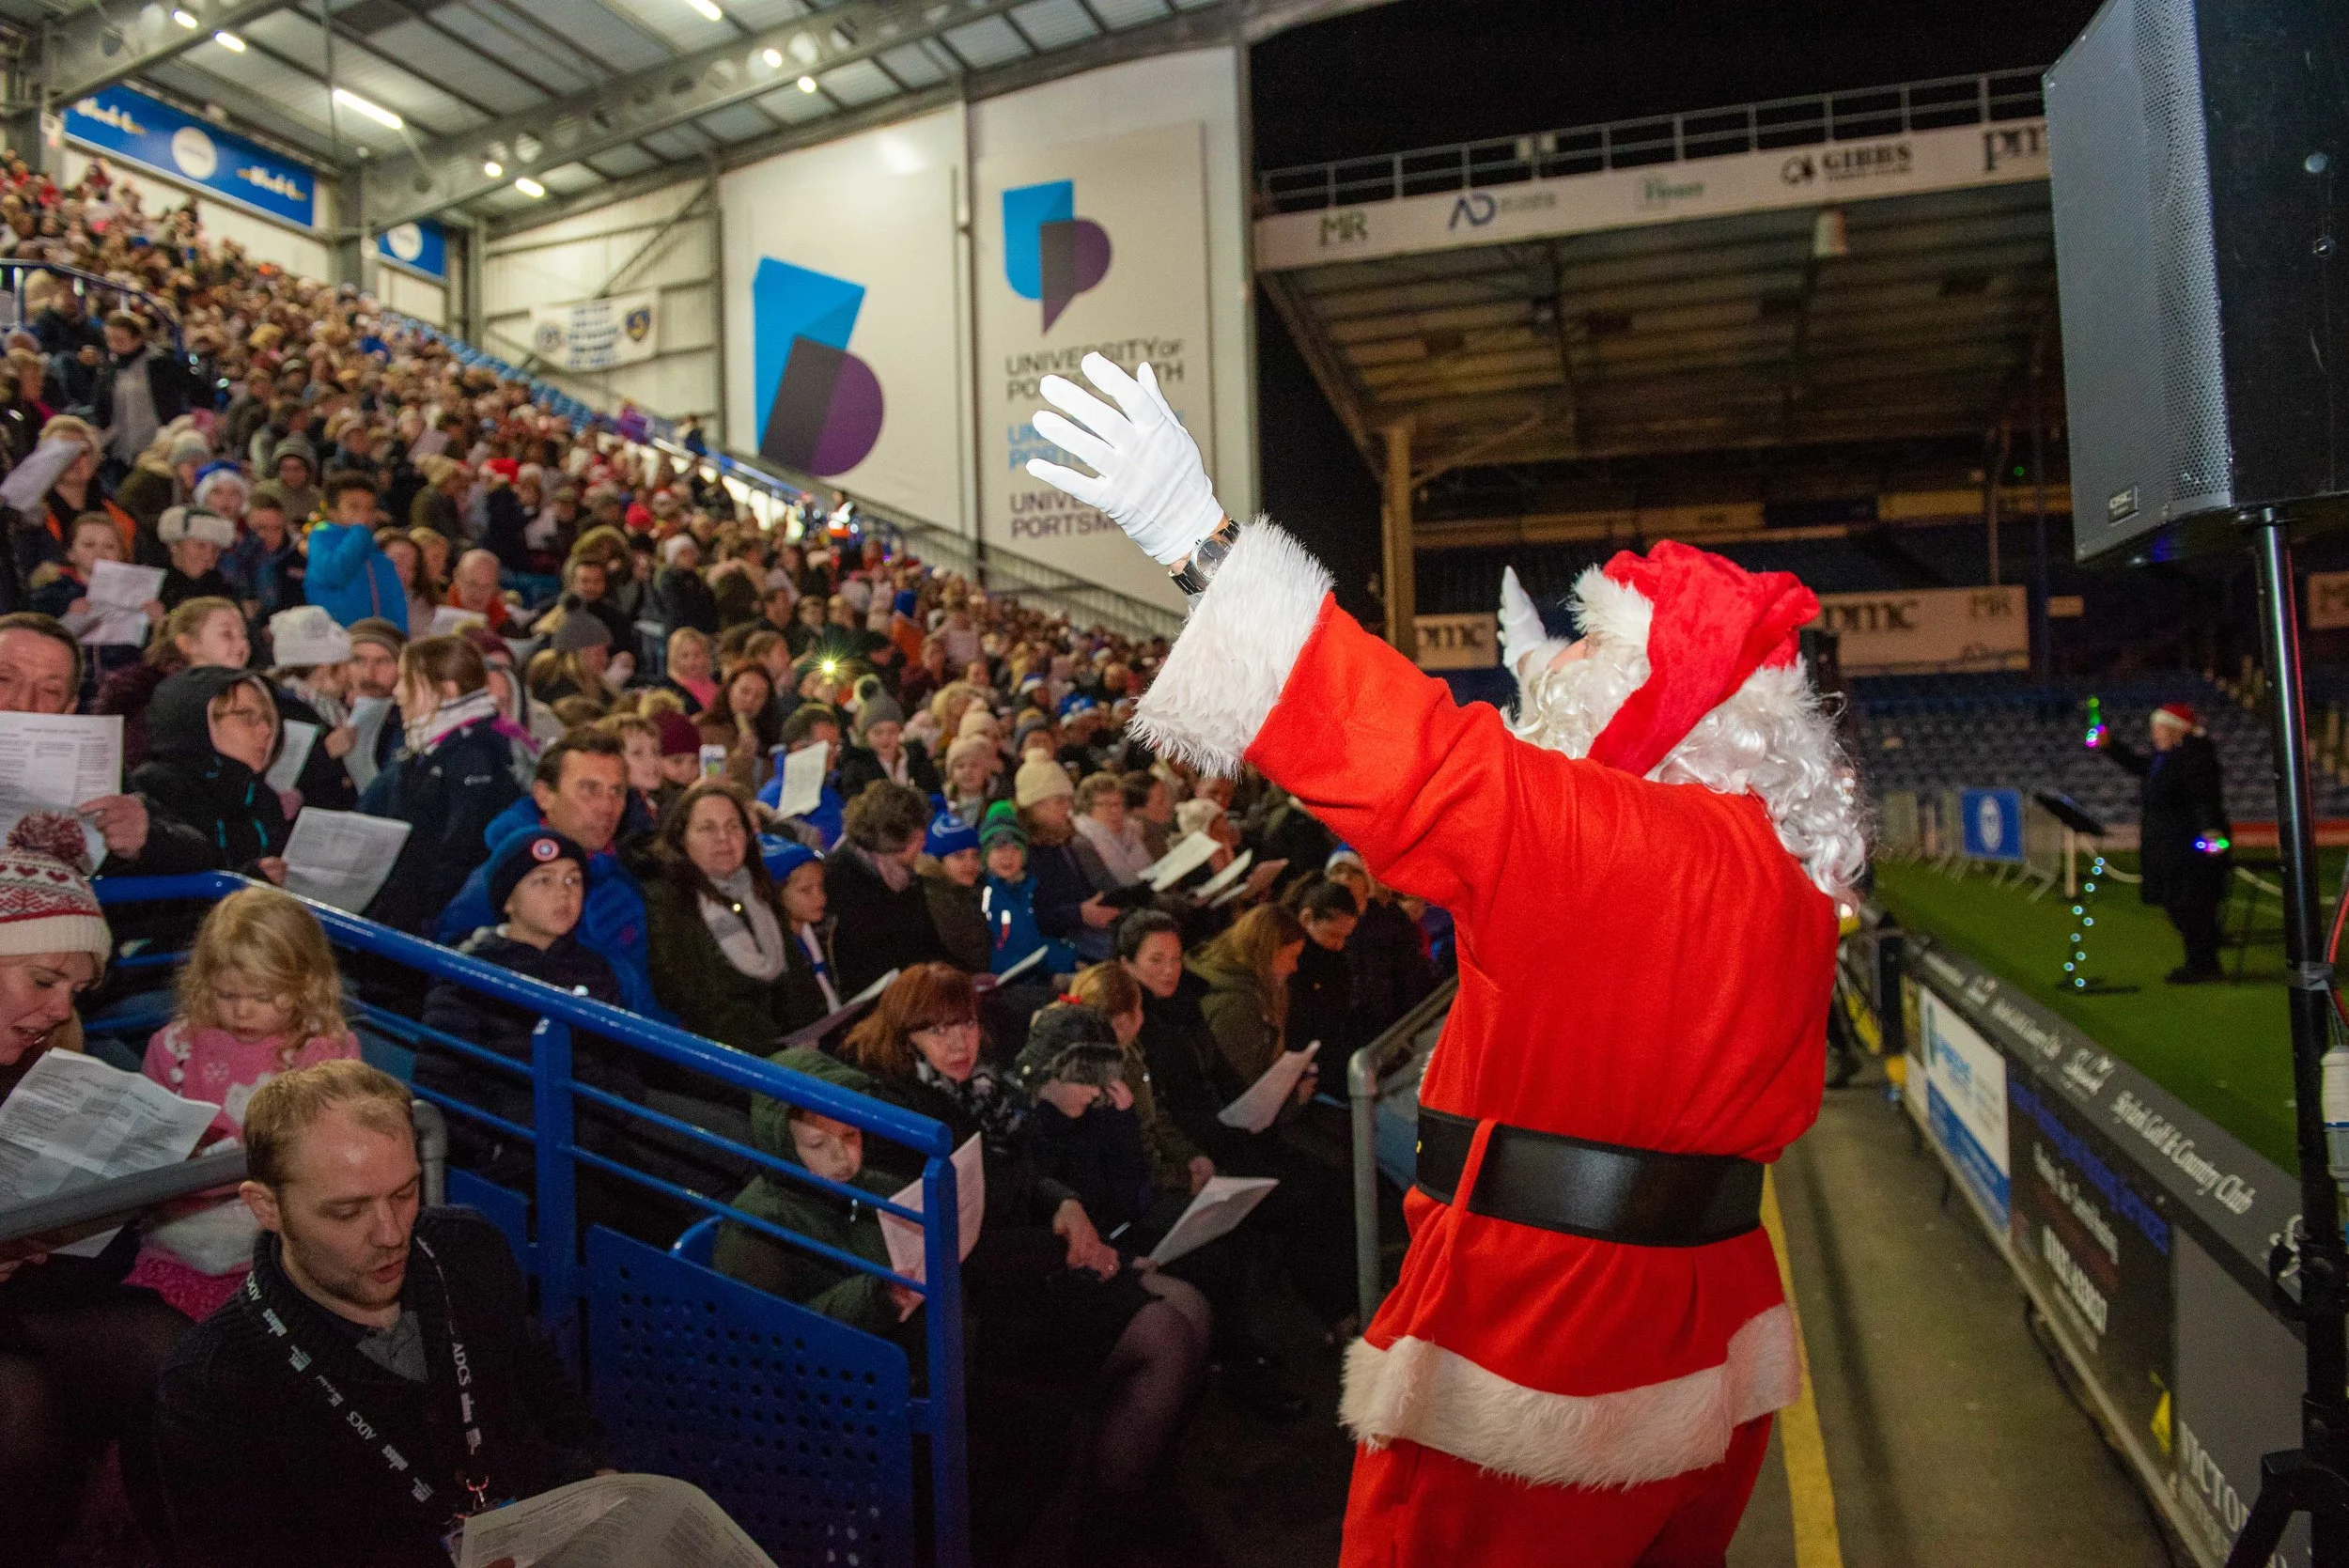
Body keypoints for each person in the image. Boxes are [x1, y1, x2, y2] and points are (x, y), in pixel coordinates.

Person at [1025, 354, 1860, 1563]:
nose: (1559, 670)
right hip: (1701, 1319)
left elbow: (1412, 760)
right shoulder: (1774, 872)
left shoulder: (1615, 845)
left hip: (1549, 1336)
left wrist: (1197, 543)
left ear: (1661, 708)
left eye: (1590, 654)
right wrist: (1560, 700)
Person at [154, 1061, 611, 1568]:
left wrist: (593, 1479)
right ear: (266, 1208)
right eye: (347, 1212)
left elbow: (548, 1397)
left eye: (405, 1193)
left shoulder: (467, 1250)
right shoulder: (212, 1384)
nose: (392, 1234)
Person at [840, 965, 1210, 1523]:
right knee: (1166, 1334)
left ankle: (1134, 1477)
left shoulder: (981, 1089)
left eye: (964, 1024)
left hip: (1030, 1257)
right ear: (904, 1038)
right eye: (938, 1032)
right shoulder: (903, 1117)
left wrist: (1064, 1204)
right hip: (985, 1296)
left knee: (1191, 1306)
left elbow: (1023, 1177)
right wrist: (1068, 1248)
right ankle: (1102, 1522)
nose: (960, 1042)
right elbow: (962, 1240)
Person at [0, 814, 191, 1563]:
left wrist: (90, 1215)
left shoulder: (49, 1065)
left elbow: (92, 1273)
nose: (58, 1009)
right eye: (43, 980)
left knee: (170, 1349)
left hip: (21, 1305)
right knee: (17, 1409)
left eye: (73, 991)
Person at [129, 887, 359, 1320]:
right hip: (181, 1240)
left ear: (307, 984)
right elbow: (146, 1136)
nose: (243, 1014)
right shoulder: (174, 1046)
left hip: (283, 1244)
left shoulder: (324, 1049)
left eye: (264, 997)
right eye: (227, 996)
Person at [438, 729, 661, 1017]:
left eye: (617, 791)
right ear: (545, 796)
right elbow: (453, 980)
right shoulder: (503, 882)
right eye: (589, 789)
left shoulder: (623, 882)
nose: (607, 807)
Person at [359, 633, 526, 936]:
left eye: (408, 682)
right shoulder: (429, 748)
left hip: (432, 926)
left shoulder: (474, 758)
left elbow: (458, 855)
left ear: (446, 690)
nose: (397, 693)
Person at [645, 781, 795, 1052]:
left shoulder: (759, 890)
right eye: (707, 828)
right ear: (681, 838)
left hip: (784, 1045)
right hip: (721, 1058)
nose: (723, 838)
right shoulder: (668, 902)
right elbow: (695, 1000)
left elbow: (793, 978)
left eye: (733, 827)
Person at [2089, 701, 2232, 983]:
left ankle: (2204, 964)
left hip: (2186, 846)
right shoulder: (2166, 757)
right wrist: (2110, 746)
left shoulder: (2195, 757)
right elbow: (2140, 766)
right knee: (2178, 904)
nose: (2154, 734)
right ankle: (2201, 959)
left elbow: (2205, 798)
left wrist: (2211, 833)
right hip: (2169, 845)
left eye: (2159, 729)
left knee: (2190, 905)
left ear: (2176, 731)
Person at [131, 666, 291, 881]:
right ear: (195, 718)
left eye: (268, 719)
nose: (266, 730)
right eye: (246, 716)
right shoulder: (157, 787)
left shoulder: (262, 799)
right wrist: (246, 883)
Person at [824, 780, 951, 998]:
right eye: (918, 838)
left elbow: (928, 944)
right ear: (892, 840)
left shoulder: (904, 875)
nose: (923, 845)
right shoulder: (838, 881)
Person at [97, 594, 249, 769]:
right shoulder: (146, 696)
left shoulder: (249, 694)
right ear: (188, 644)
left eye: (244, 635)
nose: (241, 645)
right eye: (227, 634)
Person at [978, 809, 1079, 981]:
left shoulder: (1030, 888)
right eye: (999, 849)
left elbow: (1040, 942)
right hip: (1013, 980)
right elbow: (1003, 951)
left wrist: (1069, 961)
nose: (1007, 857)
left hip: (1040, 972)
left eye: (1015, 849)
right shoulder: (986, 896)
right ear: (986, 855)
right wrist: (1048, 977)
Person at [304, 472, 404, 629]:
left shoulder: (376, 553)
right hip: (339, 639)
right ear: (332, 512)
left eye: (370, 509)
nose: (364, 515)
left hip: (379, 638)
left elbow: (395, 601)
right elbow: (336, 573)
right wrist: (359, 531)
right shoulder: (321, 538)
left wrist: (400, 636)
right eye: (354, 507)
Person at [766, 839, 841, 1033]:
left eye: (821, 887)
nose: (821, 898)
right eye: (806, 891)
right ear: (776, 894)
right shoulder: (773, 951)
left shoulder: (822, 933)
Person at [917, 810, 990, 973]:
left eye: (975, 856)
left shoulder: (976, 892)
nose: (970, 863)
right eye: (959, 856)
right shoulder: (934, 900)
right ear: (937, 860)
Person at [836, 691, 940, 799]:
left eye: (892, 731)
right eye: (878, 732)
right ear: (866, 734)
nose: (885, 738)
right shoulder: (857, 768)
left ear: (901, 731)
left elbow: (935, 798)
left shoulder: (919, 761)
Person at [1072, 769, 1155, 887]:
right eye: (1106, 804)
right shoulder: (1084, 839)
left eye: (1119, 803)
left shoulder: (1130, 828)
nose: (1115, 810)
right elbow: (1123, 880)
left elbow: (1147, 868)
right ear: (1087, 806)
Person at [156, 505, 238, 610]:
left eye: (216, 550)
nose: (209, 556)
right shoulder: (151, 587)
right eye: (200, 546)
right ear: (174, 546)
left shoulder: (224, 592)